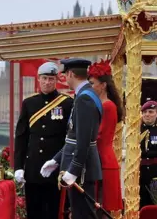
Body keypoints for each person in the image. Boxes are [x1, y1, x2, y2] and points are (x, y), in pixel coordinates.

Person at [40, 58, 102, 219]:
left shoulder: (85, 98)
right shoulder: (83, 95)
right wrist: (56, 160)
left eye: (65, 75)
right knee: (79, 212)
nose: (65, 79)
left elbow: (84, 140)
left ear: (71, 74)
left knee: (83, 214)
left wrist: (74, 170)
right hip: (79, 166)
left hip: (81, 170)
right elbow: (73, 137)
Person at [14, 62, 73, 219]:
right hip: (33, 166)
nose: (48, 82)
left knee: (53, 210)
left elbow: (71, 136)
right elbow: (21, 136)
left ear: (56, 81)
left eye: (51, 79)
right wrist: (19, 166)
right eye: (45, 78)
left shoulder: (67, 103)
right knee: (34, 210)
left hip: (55, 166)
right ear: (38, 79)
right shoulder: (29, 103)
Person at [88, 60, 123, 217]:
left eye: (92, 83)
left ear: (103, 85)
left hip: (103, 161)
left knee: (101, 209)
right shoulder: (101, 104)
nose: (90, 87)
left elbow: (99, 134)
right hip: (100, 159)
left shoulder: (108, 106)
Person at [139, 100, 157, 208]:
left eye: (150, 112)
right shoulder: (135, 131)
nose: (147, 115)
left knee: (155, 200)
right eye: (144, 112)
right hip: (139, 170)